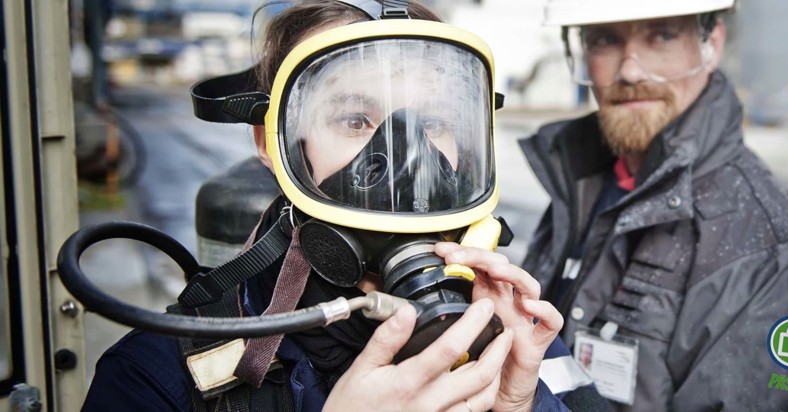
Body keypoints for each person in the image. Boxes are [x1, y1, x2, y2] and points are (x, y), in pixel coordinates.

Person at [83, 1, 608, 411]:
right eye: (356, 120)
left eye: (434, 124)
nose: (408, 155)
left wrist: (520, 403)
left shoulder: (509, 332)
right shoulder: (157, 375)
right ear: (274, 143)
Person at [521, 1, 788, 410]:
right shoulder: (582, 187)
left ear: (711, 44)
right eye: (606, 39)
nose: (630, 71)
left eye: (661, 36)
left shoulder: (774, 263)